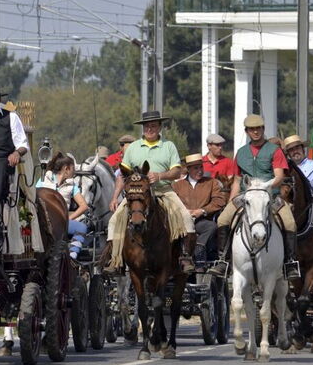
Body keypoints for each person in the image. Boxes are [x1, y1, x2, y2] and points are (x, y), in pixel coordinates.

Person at [106, 110, 196, 274]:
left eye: (154, 125)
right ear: (143, 128)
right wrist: (114, 197)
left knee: (186, 218)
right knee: (113, 221)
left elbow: (176, 172)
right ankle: (115, 260)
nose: (150, 129)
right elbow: (122, 175)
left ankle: (185, 257)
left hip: (163, 190)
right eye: (147, 126)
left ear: (160, 127)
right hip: (136, 193)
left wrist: (160, 175)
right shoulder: (133, 147)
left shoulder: (168, 146)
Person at [214, 114, 298, 275]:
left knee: (290, 223)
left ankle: (290, 263)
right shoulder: (241, 152)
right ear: (247, 131)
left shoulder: (275, 150)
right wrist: (231, 201)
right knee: (222, 219)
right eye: (252, 129)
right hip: (246, 196)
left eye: (258, 128)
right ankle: (223, 260)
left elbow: (279, 176)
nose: (256, 132)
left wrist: (265, 186)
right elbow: (237, 181)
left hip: (270, 195)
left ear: (263, 129)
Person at [173, 153, 227, 263]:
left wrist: (202, 211)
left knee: (212, 226)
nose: (200, 171)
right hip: (182, 222)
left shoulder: (211, 182)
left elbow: (219, 200)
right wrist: (184, 212)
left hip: (201, 221)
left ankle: (199, 249)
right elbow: (172, 203)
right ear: (188, 169)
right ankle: (181, 258)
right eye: (195, 168)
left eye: (201, 167)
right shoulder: (177, 185)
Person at [36, 152, 89, 260]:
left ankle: (72, 257)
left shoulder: (72, 185)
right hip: (42, 219)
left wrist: (68, 218)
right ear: (66, 169)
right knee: (82, 227)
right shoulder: (43, 180)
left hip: (60, 221)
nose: (74, 172)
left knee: (81, 227)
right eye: (73, 168)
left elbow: (84, 206)